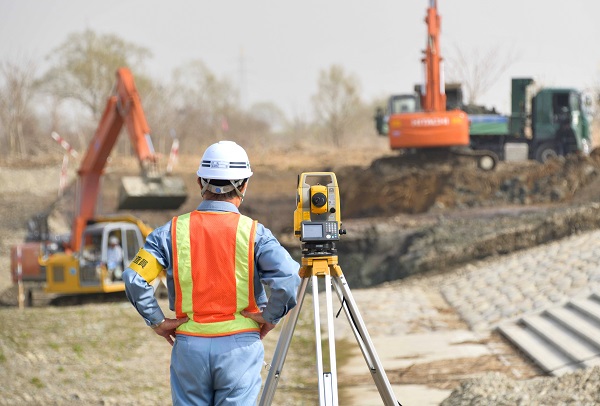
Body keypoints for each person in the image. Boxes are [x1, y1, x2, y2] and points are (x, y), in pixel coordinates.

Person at [123, 140, 301, 405]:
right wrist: (270, 317)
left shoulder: (170, 232)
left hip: (190, 347)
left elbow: (134, 278)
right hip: (240, 349)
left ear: (200, 182)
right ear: (244, 186)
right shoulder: (255, 233)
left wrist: (157, 321)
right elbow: (289, 277)